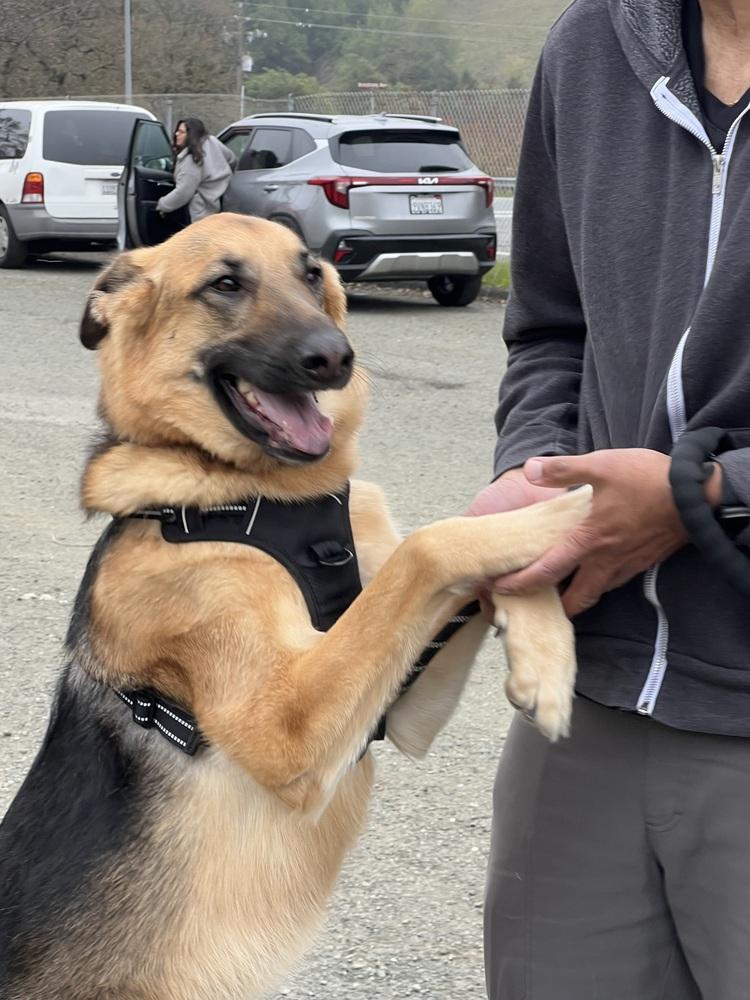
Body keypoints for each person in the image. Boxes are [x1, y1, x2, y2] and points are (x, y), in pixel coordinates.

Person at [470, 1, 750, 998]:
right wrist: (535, 470)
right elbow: (550, 327)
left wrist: (707, 494)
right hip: (586, 708)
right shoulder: (589, 47)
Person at [156, 117, 236, 222]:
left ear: (191, 135)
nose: (176, 134)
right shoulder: (212, 142)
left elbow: (183, 192)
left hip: (199, 211)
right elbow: (232, 159)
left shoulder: (191, 160)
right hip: (217, 204)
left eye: (181, 132)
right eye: (177, 131)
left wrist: (162, 205)